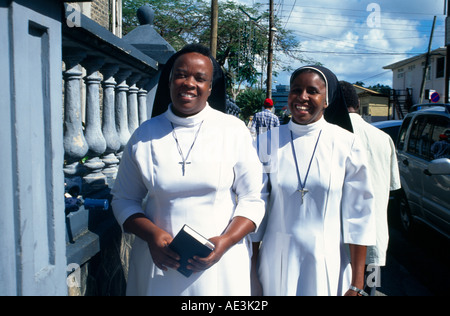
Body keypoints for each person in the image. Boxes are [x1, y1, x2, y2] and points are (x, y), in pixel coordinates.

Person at [112, 44, 265, 296]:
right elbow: (123, 199)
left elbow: (252, 201)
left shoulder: (233, 130)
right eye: (181, 75)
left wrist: (224, 242)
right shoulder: (144, 134)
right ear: (169, 81)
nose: (189, 83)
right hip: (159, 263)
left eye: (200, 78)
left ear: (210, 87)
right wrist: (152, 235)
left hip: (221, 263)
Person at [253, 66, 376, 296]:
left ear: (327, 100)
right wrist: (252, 270)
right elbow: (255, 209)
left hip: (327, 261)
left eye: (312, 91)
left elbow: (359, 216)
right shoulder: (267, 142)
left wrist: (357, 284)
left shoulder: (346, 144)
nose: (302, 97)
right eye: (296, 90)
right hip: (275, 261)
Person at [340, 81, 401, 296]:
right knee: (370, 290)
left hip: (341, 242)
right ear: (357, 103)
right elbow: (393, 186)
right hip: (374, 238)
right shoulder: (384, 139)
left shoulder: (332, 136)